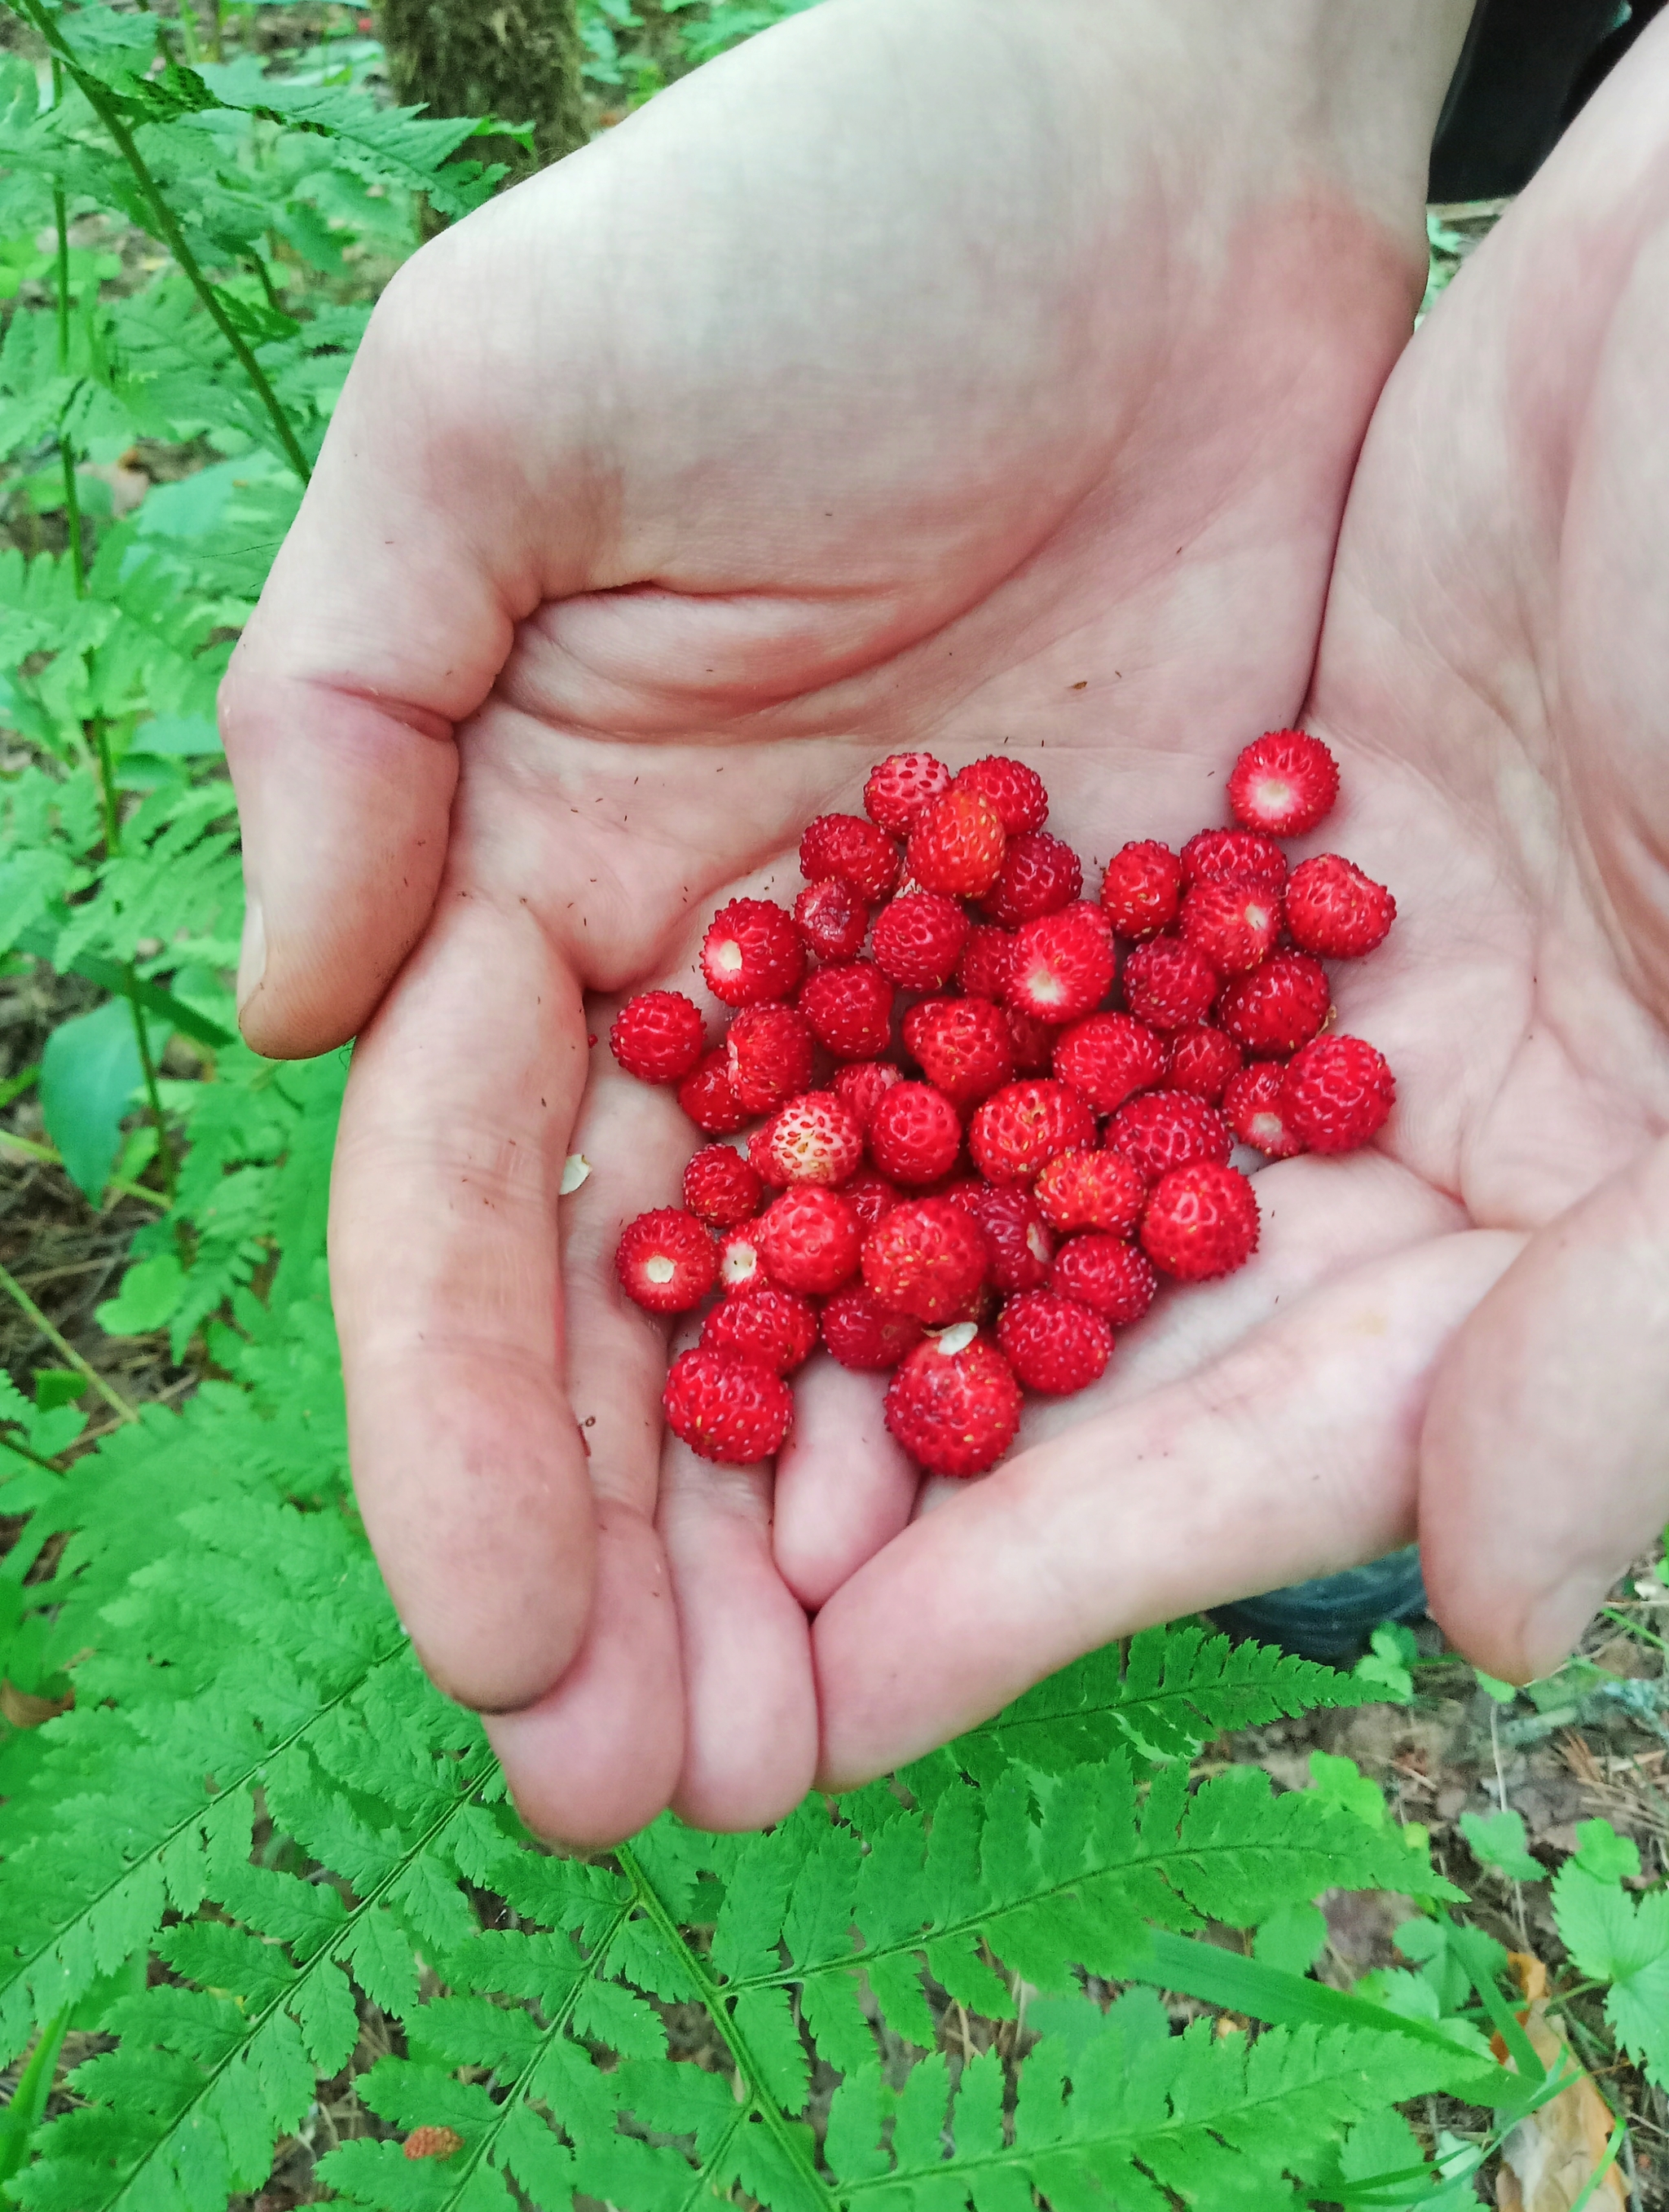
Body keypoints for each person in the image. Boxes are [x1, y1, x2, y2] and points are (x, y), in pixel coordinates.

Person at [218, 0, 1669, 1849]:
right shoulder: (919, 1055)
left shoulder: (1122, 1028)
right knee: (1326, 1398)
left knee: (1346, 1440)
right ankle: (1298, 1584)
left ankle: (1307, 1600)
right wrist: (1205, 62)